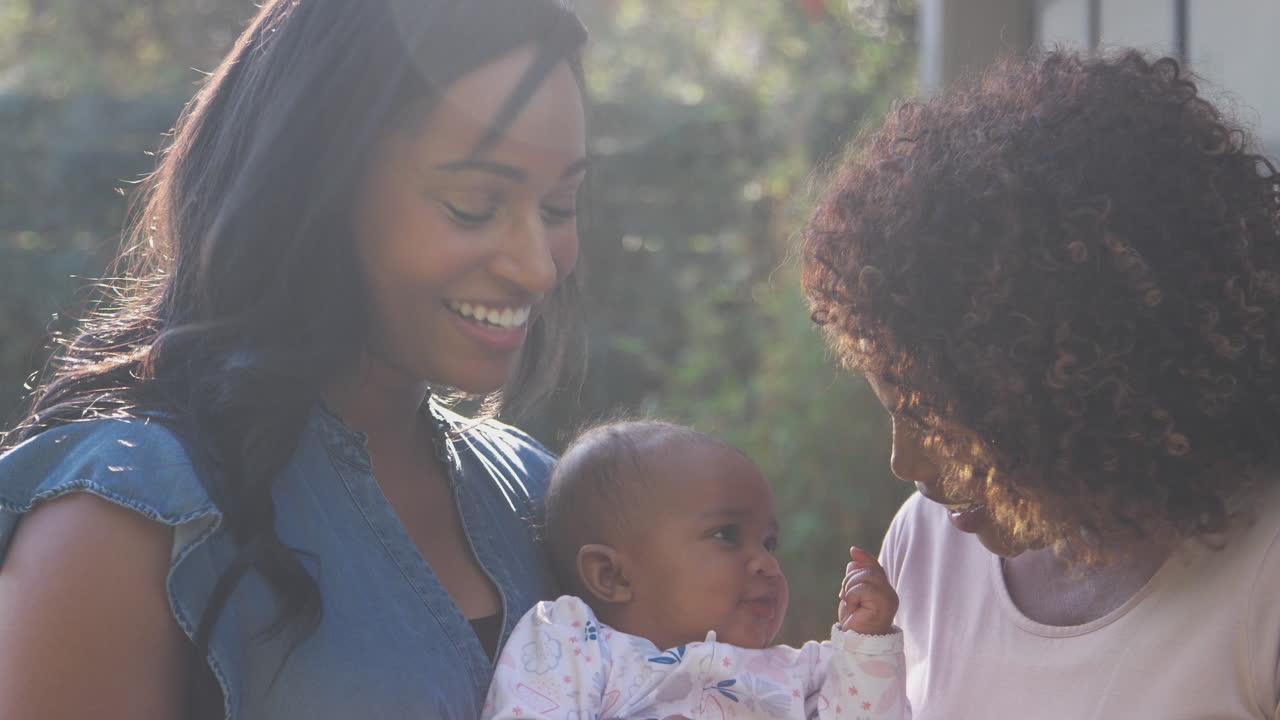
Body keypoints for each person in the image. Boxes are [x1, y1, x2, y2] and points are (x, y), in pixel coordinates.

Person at [0, 1, 589, 717]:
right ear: (315, 185)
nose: (535, 267)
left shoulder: (544, 499)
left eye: (560, 207)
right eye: (473, 204)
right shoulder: (128, 520)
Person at [801, 48, 1280, 718]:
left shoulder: (1263, 576)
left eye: (933, 416)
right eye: (893, 409)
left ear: (1080, 381)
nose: (904, 463)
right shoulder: (926, 547)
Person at [480, 420, 907, 720]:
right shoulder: (574, 646)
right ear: (612, 576)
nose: (767, 562)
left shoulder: (801, 674)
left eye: (769, 542)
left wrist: (867, 645)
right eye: (725, 535)